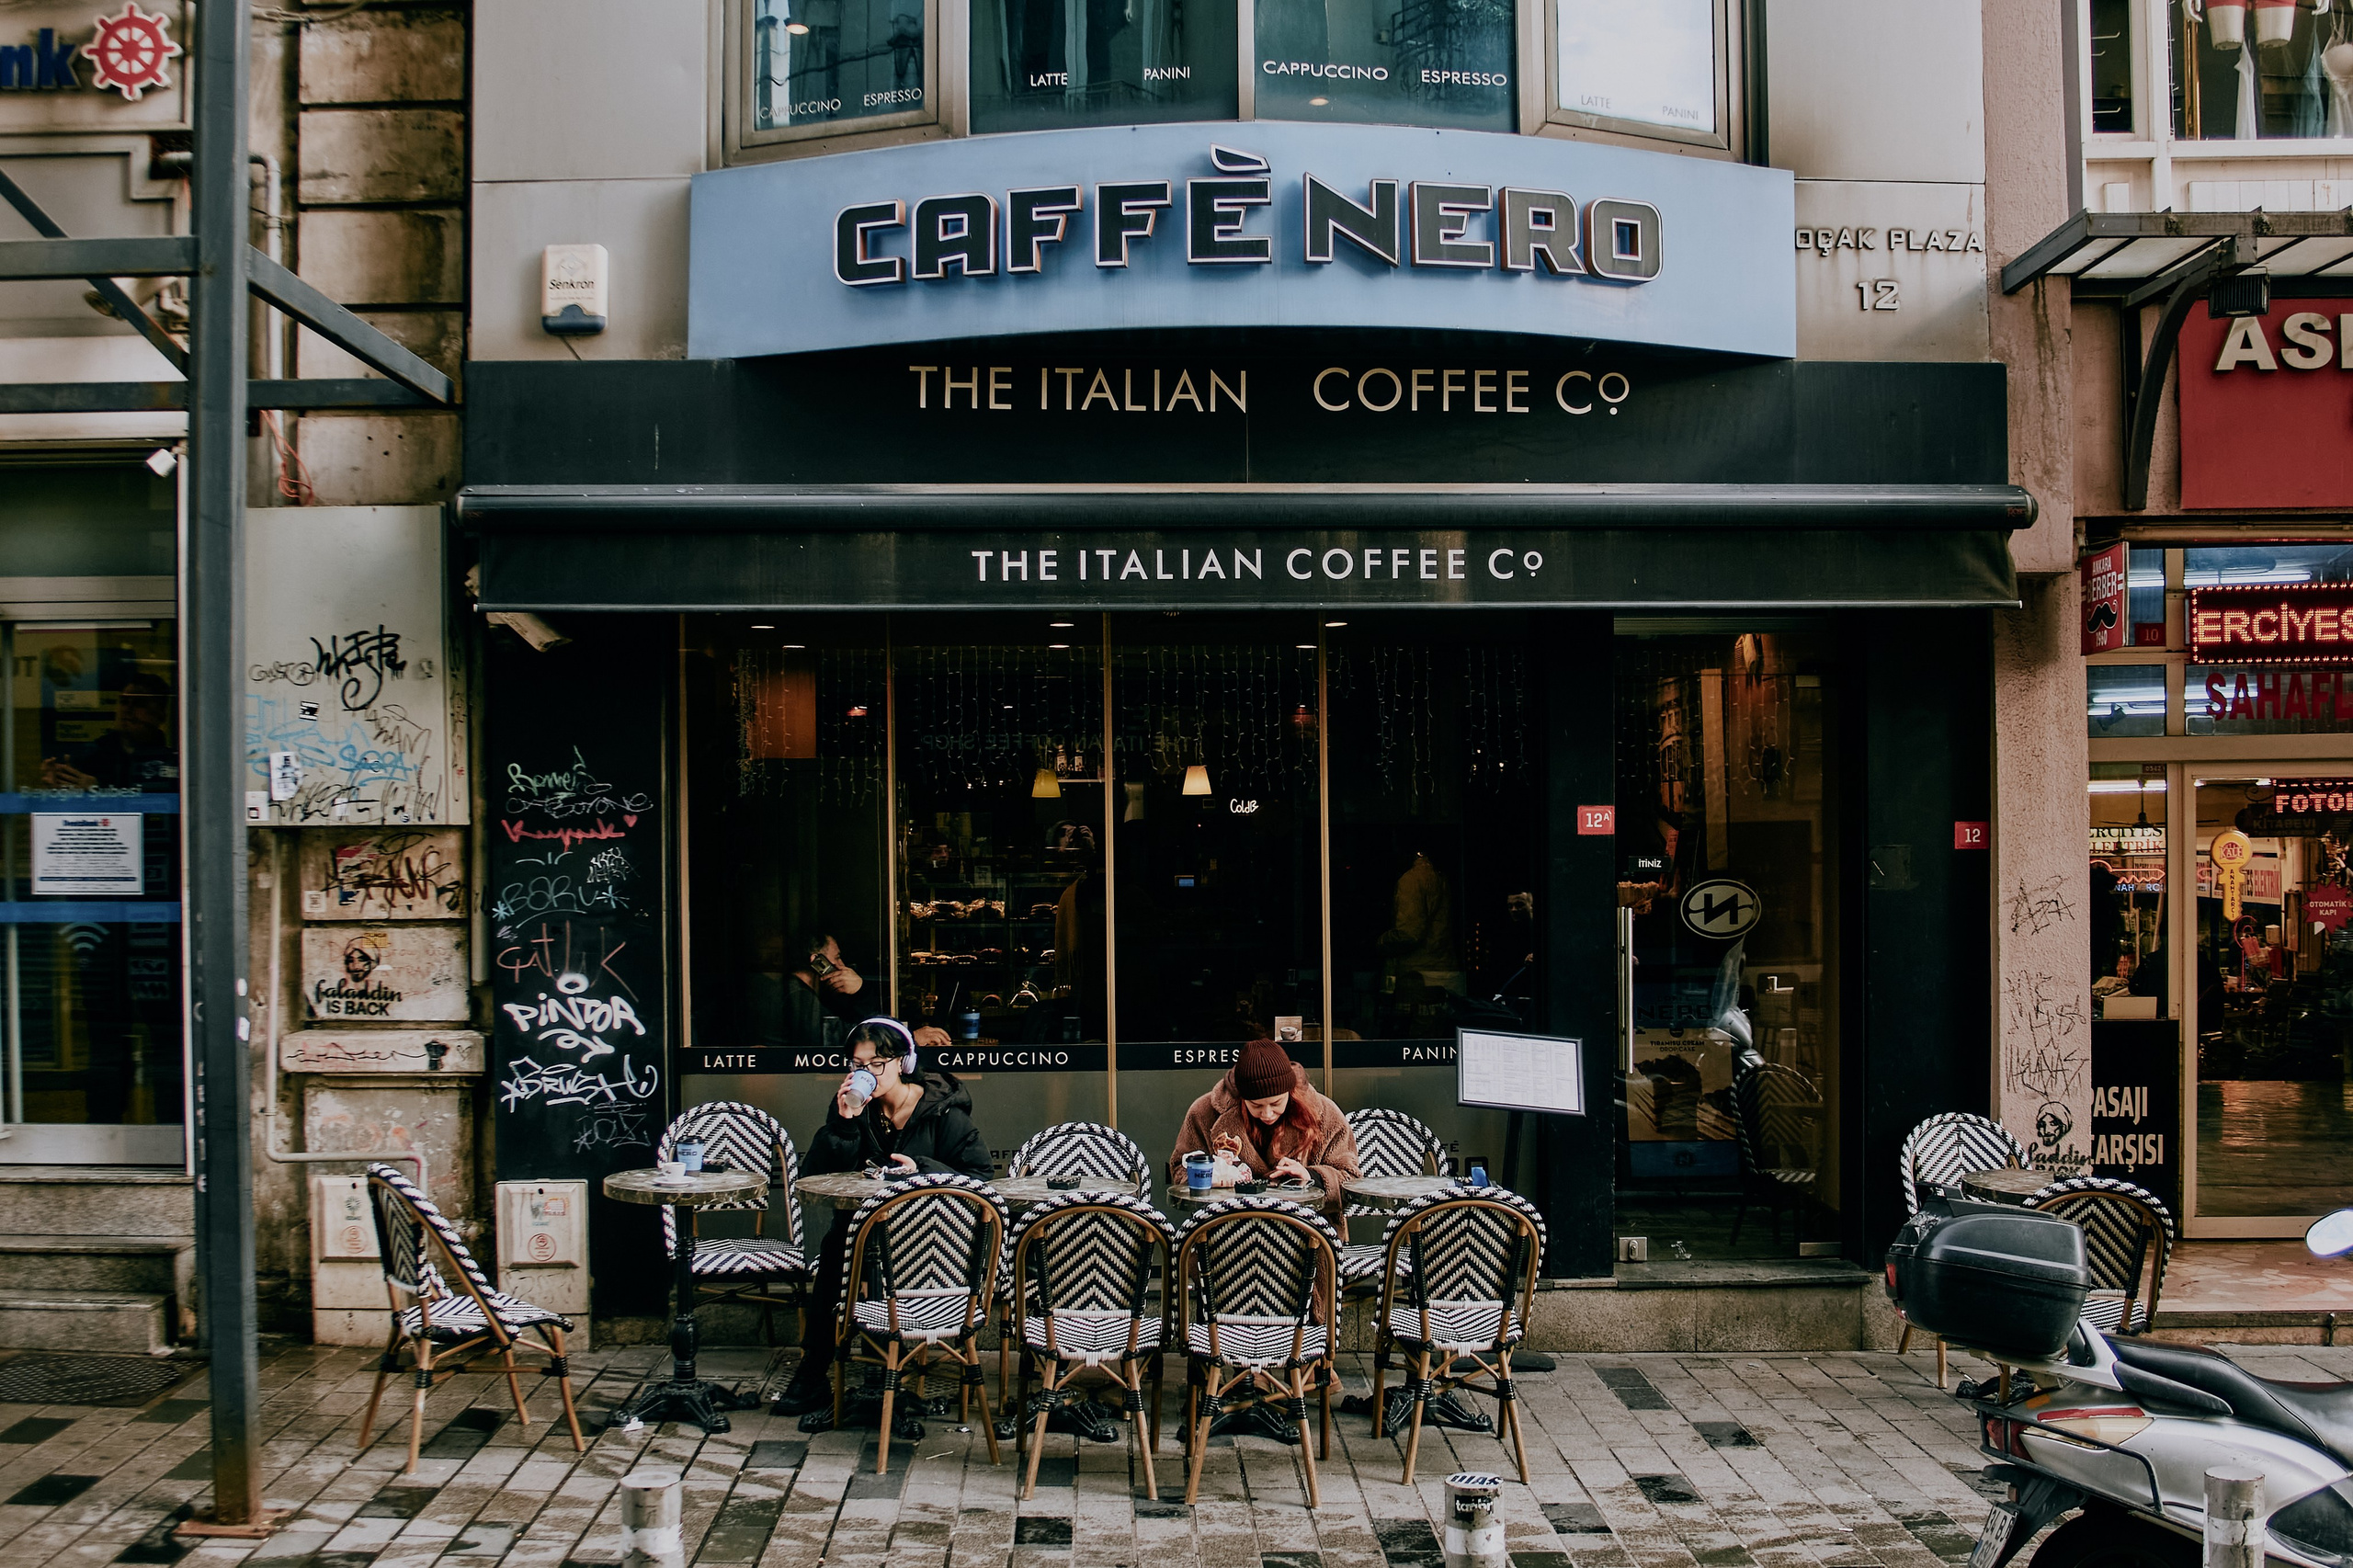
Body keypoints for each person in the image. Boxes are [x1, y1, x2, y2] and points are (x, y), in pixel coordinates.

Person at [773, 1017, 993, 1418]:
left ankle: (880, 1380)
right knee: (837, 1248)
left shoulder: (942, 1112)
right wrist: (843, 1125)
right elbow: (815, 1176)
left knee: (849, 1251)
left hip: (929, 1242)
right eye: (858, 1065)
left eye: (877, 1064)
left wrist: (923, 1169)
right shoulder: (855, 1108)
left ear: (903, 1063)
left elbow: (980, 1177)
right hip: (864, 1233)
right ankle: (815, 1372)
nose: (867, 1074)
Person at [1166, 1037, 1361, 1213]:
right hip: (1227, 1227)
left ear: (1290, 1092)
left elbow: (1351, 1180)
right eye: (1256, 1105)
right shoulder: (1204, 1112)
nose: (1267, 1114)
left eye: (1276, 1103)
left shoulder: (1324, 1112)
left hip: (1306, 1230)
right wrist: (1209, 1177)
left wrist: (1311, 1177)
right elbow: (1179, 1169)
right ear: (1242, 1099)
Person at [41, 672, 177, 791]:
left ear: (160, 716)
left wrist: (99, 789)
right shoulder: (92, 757)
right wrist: (58, 786)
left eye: (139, 703)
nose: (128, 709)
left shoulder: (173, 761)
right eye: (124, 702)